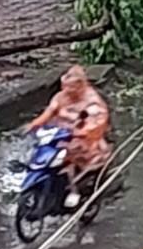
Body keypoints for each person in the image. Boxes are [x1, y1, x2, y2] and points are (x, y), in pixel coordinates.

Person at [28, 64, 112, 208]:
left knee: (71, 157)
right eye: (65, 87)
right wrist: (35, 124)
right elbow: (50, 112)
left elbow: (97, 122)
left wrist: (82, 132)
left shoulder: (92, 101)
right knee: (39, 152)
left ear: (80, 86)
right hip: (59, 135)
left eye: (71, 88)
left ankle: (75, 190)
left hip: (83, 138)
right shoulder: (61, 97)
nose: (67, 91)